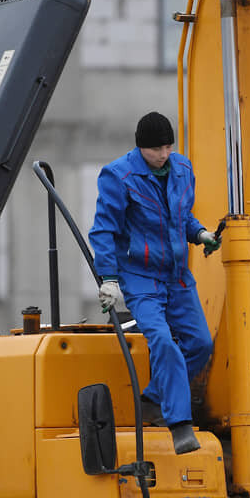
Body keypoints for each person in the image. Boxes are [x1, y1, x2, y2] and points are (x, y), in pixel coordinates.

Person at [89, 111, 221, 455]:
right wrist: (109, 279)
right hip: (140, 277)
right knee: (162, 341)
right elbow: (103, 230)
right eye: (156, 149)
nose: (164, 154)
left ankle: (152, 399)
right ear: (140, 148)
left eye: (168, 147)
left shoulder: (182, 169)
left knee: (200, 344)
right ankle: (179, 425)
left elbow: (182, 217)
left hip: (177, 275)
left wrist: (200, 234)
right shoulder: (119, 176)